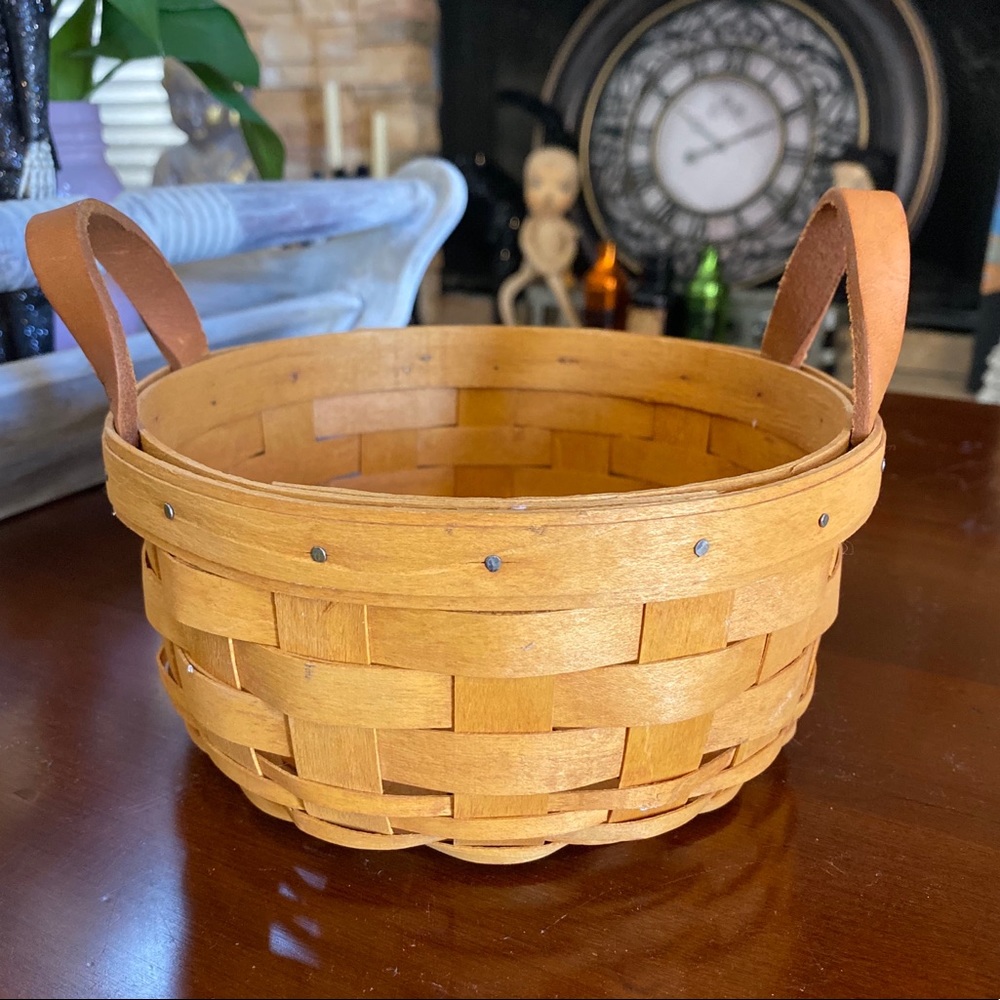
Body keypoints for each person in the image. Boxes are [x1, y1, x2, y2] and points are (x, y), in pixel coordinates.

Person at [0, 0, 56, 363]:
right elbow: (28, 39)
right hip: (14, 149)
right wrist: (35, 140)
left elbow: (27, 38)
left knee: (25, 274)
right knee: (26, 278)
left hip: (13, 150)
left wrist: (35, 140)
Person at [497, 145, 581, 327]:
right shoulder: (530, 225)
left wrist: (555, 264)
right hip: (531, 268)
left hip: (555, 270)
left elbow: (569, 249)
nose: (548, 195)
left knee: (563, 297)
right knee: (507, 292)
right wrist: (539, 263)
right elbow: (527, 244)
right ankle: (512, 329)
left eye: (562, 187)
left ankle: (575, 331)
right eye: (537, 184)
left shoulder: (566, 228)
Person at [153, 59, 257, 186]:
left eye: (202, 98)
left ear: (240, 97)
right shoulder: (170, 163)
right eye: (179, 99)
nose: (189, 111)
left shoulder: (253, 160)